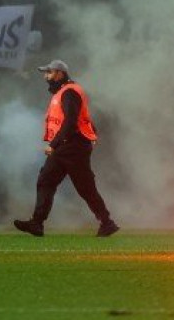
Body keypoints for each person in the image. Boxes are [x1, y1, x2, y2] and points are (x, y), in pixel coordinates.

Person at [14, 59, 119, 237]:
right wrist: (92, 133)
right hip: (67, 146)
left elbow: (71, 122)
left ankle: (107, 222)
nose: (46, 77)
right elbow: (81, 118)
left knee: (85, 187)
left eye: (49, 73)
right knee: (46, 180)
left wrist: (53, 144)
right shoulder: (65, 91)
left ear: (60, 73)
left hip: (73, 146)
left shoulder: (69, 92)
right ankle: (37, 223)